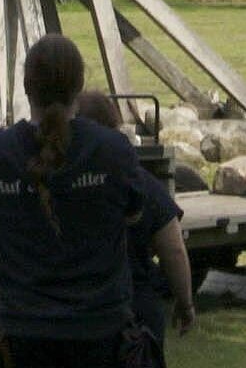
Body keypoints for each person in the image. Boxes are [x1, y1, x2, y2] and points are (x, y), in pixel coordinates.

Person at [0, 35, 197, 367]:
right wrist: (185, 301)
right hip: (99, 331)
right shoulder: (111, 150)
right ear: (79, 86)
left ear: (25, 86)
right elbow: (137, 217)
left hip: (25, 331)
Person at [73, 91, 169, 362]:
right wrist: (185, 302)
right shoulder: (139, 180)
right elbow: (172, 247)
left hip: (76, 307)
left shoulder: (57, 182)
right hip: (129, 303)